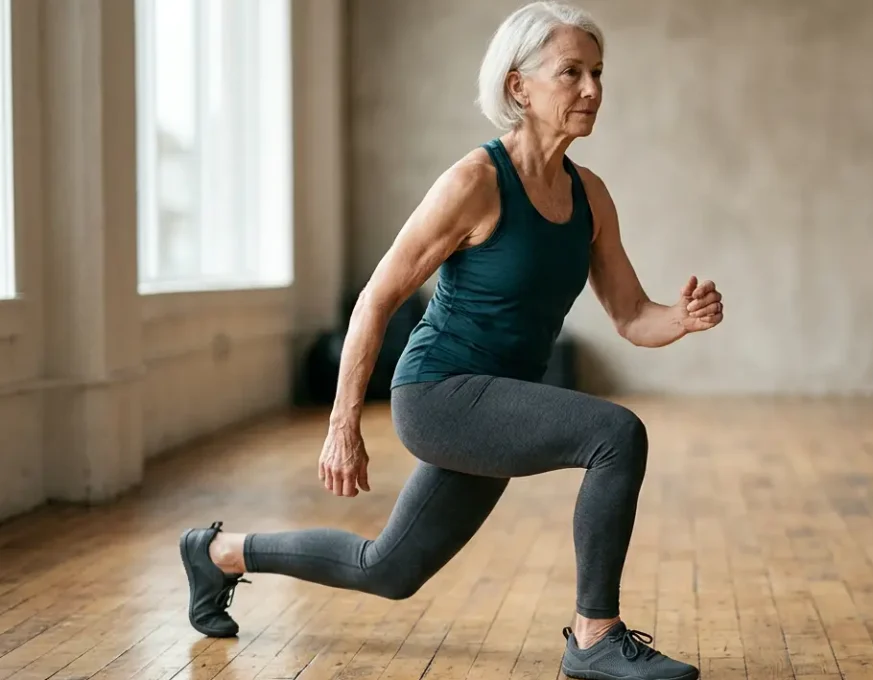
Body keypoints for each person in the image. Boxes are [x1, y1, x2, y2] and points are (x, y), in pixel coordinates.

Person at [178, 2, 720, 679]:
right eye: (571, 73)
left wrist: (684, 316)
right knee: (616, 434)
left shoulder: (591, 197)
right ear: (519, 87)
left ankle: (218, 553)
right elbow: (378, 297)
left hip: (496, 400)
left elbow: (633, 315)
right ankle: (594, 636)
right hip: (439, 393)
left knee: (391, 569)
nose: (592, 90)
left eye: (598, 73)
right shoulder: (475, 182)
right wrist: (342, 422)